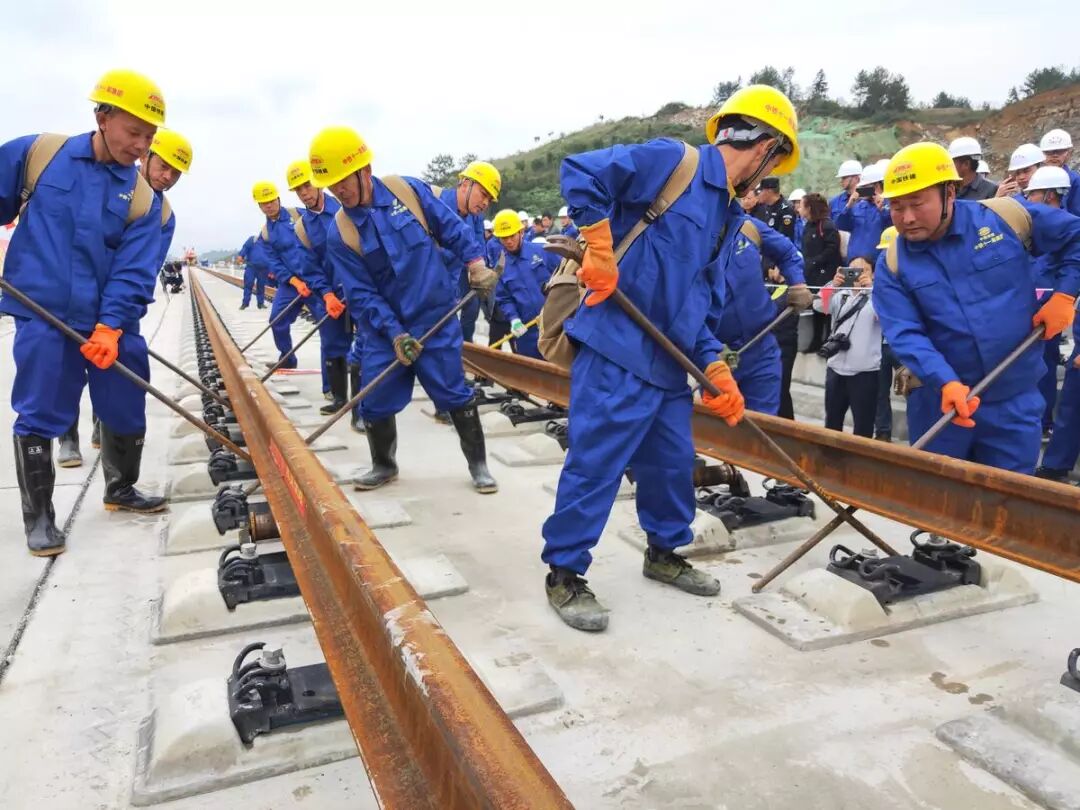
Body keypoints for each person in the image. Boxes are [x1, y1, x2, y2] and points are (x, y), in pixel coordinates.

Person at [540, 85, 800, 632]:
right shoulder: (673, 163)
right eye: (775, 159)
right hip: (616, 346)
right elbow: (580, 170)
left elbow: (702, 307)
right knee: (596, 466)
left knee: (671, 465)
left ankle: (664, 551)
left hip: (667, 364)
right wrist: (599, 244)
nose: (769, 173)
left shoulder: (729, 218)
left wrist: (715, 366)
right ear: (765, 147)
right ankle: (564, 573)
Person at [0, 68, 170, 557]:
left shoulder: (145, 203)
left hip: (107, 323)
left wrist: (112, 327)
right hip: (43, 312)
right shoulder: (39, 155)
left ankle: (121, 489)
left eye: (149, 136)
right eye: (134, 132)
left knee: (126, 394)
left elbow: (134, 271)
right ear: (102, 116)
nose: (141, 145)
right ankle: (41, 519)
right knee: (39, 407)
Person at [311, 125, 501, 494]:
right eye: (331, 185)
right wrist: (395, 334)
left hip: (436, 317)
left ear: (363, 170)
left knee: (454, 393)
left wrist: (476, 262)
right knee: (376, 399)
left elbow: (450, 228)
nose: (338, 191)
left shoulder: (407, 191)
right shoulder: (341, 232)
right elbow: (363, 294)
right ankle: (384, 464)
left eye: (342, 182)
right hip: (385, 331)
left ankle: (479, 465)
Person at [873, 142, 1080, 474]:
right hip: (941, 402)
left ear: (949, 192)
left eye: (917, 203)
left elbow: (1076, 236)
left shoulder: (1005, 219)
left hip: (1014, 400)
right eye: (896, 207)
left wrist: (1066, 293)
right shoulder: (893, 263)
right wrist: (944, 381)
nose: (907, 217)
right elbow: (905, 332)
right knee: (943, 504)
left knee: (1010, 503)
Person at [711, 214, 806, 415]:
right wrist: (706, 352)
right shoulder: (687, 238)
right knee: (722, 431)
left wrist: (797, 283)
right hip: (717, 357)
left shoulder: (746, 226)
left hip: (762, 347)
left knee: (763, 428)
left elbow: (788, 252)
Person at [286, 159, 351, 415]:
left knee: (369, 342)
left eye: (307, 186)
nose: (304, 193)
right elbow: (310, 267)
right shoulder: (303, 228)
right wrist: (326, 294)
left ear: (318, 183)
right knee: (333, 342)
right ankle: (338, 398)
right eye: (298, 189)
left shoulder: (344, 207)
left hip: (360, 287)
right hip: (332, 292)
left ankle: (365, 405)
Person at [251, 180, 327, 374]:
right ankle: (287, 358)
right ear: (259, 206)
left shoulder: (299, 215)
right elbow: (274, 263)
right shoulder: (265, 234)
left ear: (278, 198)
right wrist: (295, 282)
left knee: (328, 325)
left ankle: (335, 367)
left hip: (316, 280)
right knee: (277, 320)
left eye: (271, 200)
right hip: (291, 283)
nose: (268, 205)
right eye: (263, 203)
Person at [1023, 166, 1074, 437]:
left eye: (1034, 194)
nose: (1029, 199)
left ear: (1050, 195)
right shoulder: (1038, 226)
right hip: (1031, 299)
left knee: (1043, 366)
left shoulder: (1062, 228)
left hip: (1047, 306)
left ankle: (1042, 422)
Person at [430, 160, 501, 344]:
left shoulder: (475, 217)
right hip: (423, 295)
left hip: (448, 296)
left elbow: (478, 245)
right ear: (465, 184)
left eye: (489, 200)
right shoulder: (434, 204)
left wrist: (480, 270)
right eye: (483, 194)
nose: (485, 203)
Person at [819, 256, 880, 438]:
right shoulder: (840, 295)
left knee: (863, 425)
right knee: (832, 422)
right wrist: (832, 284)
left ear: (873, 274)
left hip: (865, 371)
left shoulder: (877, 297)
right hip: (835, 367)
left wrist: (872, 288)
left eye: (864, 270)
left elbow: (885, 314)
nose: (858, 274)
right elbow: (820, 305)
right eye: (852, 270)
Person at [490, 208, 560, 358]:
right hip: (528, 332)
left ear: (521, 232)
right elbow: (504, 299)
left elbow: (564, 276)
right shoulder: (500, 268)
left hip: (555, 326)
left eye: (512, 236)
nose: (508, 241)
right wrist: (514, 319)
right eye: (503, 238)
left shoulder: (543, 251)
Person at [800, 192, 842, 355]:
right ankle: (815, 340)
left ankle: (827, 341)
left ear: (809, 208)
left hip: (826, 274)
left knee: (826, 310)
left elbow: (832, 249)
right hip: (812, 274)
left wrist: (816, 261)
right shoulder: (808, 226)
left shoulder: (827, 226)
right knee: (817, 309)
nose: (800, 210)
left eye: (802, 206)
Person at [873, 226, 901, 442]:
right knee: (879, 392)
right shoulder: (878, 278)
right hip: (880, 343)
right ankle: (883, 432)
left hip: (903, 344)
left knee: (915, 388)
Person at [836, 161, 890, 262]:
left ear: (877, 186)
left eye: (866, 188)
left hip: (877, 264)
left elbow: (892, 227)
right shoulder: (858, 206)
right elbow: (841, 225)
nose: (862, 190)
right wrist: (849, 205)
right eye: (861, 188)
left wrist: (883, 210)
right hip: (854, 263)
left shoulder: (889, 205)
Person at [1039, 129, 1080, 217]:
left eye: (1059, 151)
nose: (1054, 155)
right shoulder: (1035, 178)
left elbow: (1077, 215)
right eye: (1049, 152)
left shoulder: (1075, 180)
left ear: (1069, 153)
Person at [949, 136, 998, 201]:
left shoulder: (991, 190)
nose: (949, 166)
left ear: (966, 164)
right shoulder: (948, 187)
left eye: (952, 162)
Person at [750, 176, 796, 244]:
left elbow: (784, 236)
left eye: (760, 191)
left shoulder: (786, 209)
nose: (758, 195)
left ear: (769, 191)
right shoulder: (765, 208)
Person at [238, 234, 268, 310]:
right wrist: (241, 255)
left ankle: (260, 304)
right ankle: (245, 303)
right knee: (248, 284)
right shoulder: (253, 239)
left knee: (261, 286)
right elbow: (245, 247)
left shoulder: (269, 242)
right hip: (251, 267)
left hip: (263, 268)